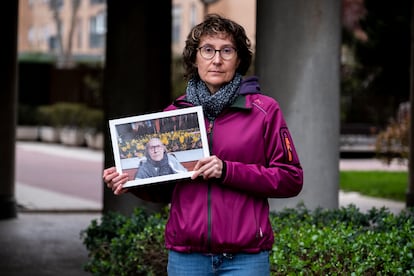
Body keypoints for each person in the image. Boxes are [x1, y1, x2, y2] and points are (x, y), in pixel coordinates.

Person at [103, 14, 303, 275]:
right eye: (208, 50)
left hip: (245, 259)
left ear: (239, 59)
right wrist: (131, 181)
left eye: (227, 51)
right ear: (194, 57)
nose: (216, 60)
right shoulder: (174, 115)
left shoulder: (263, 111)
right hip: (187, 258)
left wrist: (227, 171)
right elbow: (168, 191)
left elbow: (291, 178)